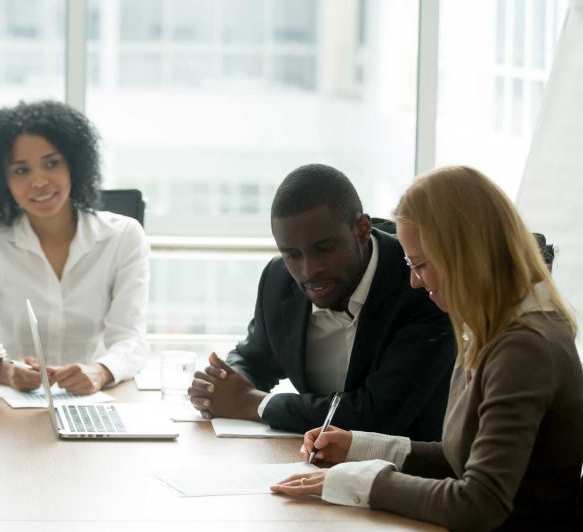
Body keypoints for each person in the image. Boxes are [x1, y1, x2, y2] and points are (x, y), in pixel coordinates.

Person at [271, 166, 583, 532]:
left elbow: (478, 503)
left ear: (464, 255)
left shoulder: (523, 348)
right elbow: (464, 460)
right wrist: (360, 448)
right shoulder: (492, 330)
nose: (415, 283)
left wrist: (362, 483)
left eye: (420, 265)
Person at [188, 164, 456, 440]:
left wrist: (252, 403)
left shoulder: (420, 284)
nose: (308, 270)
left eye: (324, 249)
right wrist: (222, 386)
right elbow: (254, 357)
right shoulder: (278, 280)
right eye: (292, 254)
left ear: (362, 230)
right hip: (311, 460)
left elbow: (379, 415)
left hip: (411, 471)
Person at [0, 100, 149, 395]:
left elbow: (131, 340)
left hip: (93, 400)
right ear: (4, 180)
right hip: (9, 407)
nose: (39, 181)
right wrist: (7, 372)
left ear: (73, 165)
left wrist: (99, 372)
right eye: (20, 171)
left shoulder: (123, 236)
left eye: (52, 164)